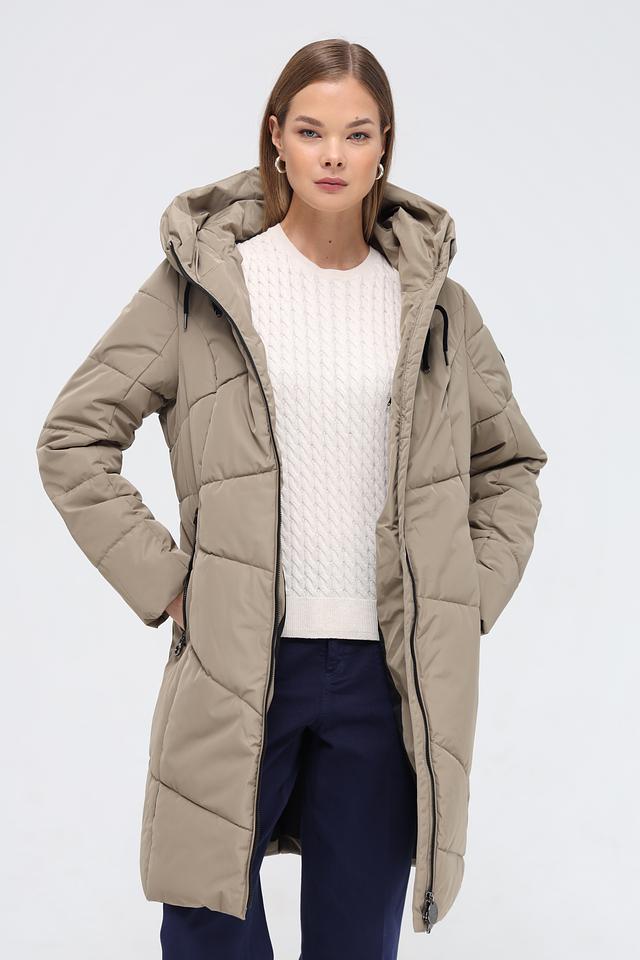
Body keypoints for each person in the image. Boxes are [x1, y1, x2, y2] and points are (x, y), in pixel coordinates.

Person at [35, 37, 548, 960]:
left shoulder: (437, 310)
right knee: (204, 923)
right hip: (239, 660)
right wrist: (169, 582)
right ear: (276, 138)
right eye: (311, 132)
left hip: (386, 679)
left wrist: (463, 595)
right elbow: (73, 438)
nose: (333, 155)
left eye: (357, 134)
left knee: (355, 942)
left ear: (384, 146)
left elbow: (509, 465)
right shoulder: (203, 289)